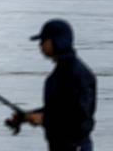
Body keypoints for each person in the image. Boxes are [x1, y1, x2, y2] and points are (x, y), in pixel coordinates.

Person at [6, 19, 97, 150]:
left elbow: (80, 118)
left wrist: (44, 119)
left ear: (56, 41)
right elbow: (58, 110)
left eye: (43, 40)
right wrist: (25, 116)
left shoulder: (80, 75)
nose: (40, 45)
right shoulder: (57, 75)